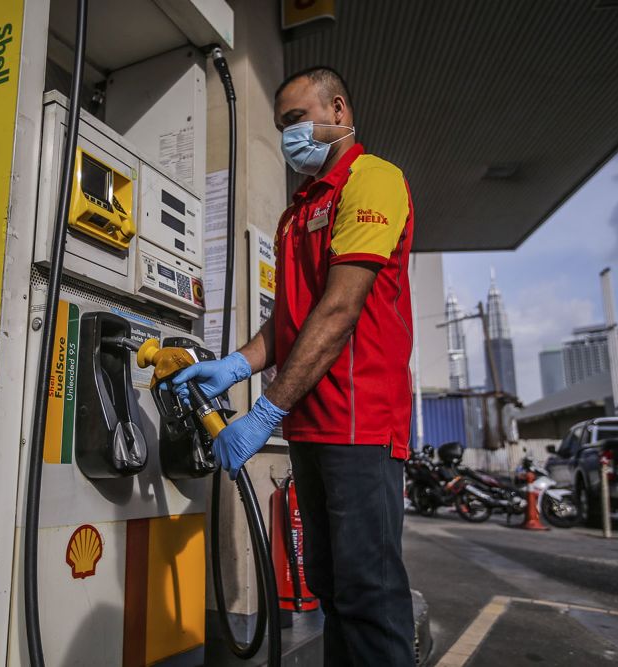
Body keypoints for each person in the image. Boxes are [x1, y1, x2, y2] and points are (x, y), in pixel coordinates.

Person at [173, 66, 416, 665]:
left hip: (361, 426)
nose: (287, 135)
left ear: (337, 109)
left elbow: (338, 310)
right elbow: (289, 321)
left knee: (369, 594)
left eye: (296, 120)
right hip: (310, 426)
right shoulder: (295, 212)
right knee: (332, 590)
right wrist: (234, 364)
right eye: (280, 124)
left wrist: (262, 413)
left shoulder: (373, 179)